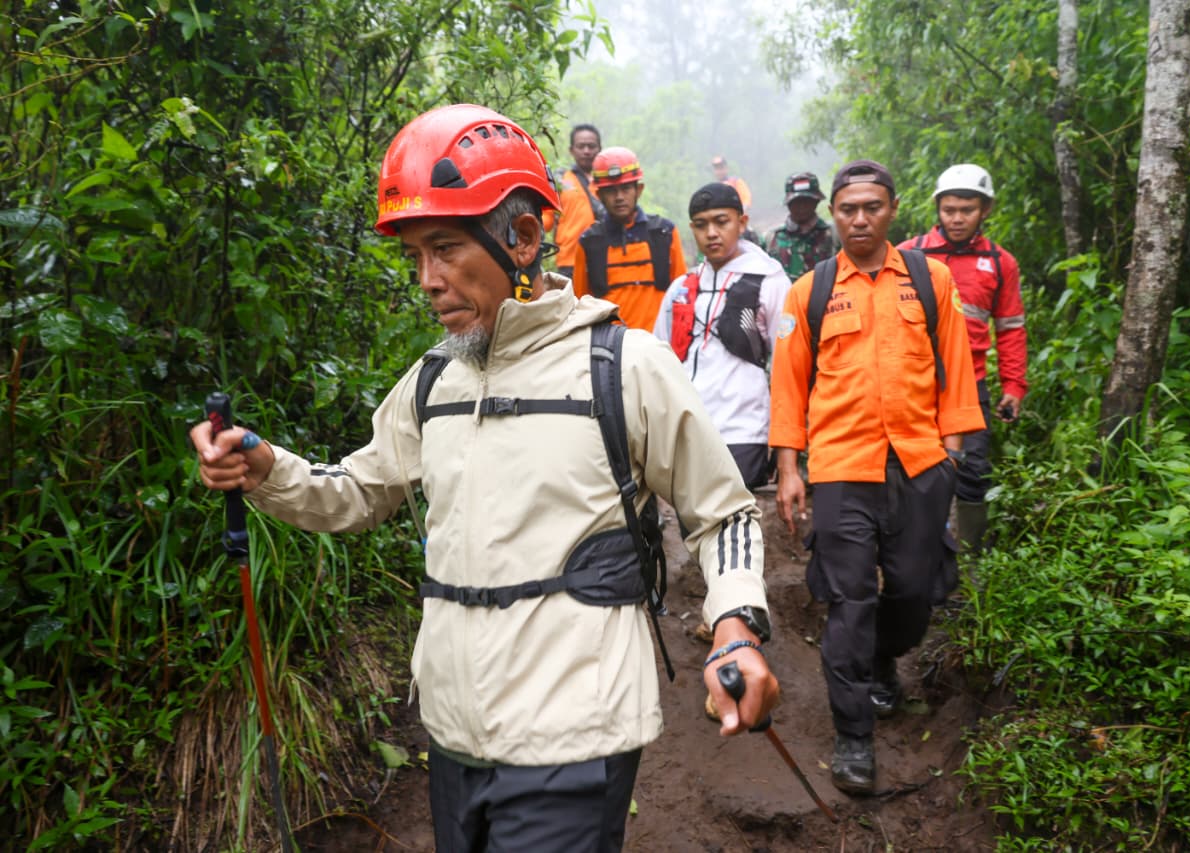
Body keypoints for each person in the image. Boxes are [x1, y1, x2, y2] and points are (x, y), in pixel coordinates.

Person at [190, 104, 779, 852]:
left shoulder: (622, 366)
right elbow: (359, 491)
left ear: (523, 239)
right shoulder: (434, 380)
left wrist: (734, 627)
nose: (429, 281)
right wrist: (268, 468)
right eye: (415, 257)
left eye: (445, 249)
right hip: (454, 731)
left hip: (576, 733)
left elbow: (723, 512)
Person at [769, 160, 985, 796]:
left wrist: (950, 451)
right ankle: (854, 737)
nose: (858, 220)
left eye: (871, 208)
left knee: (915, 593)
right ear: (833, 215)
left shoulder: (929, 279)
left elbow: (956, 365)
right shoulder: (806, 292)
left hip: (918, 462)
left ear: (892, 210)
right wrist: (789, 468)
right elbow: (788, 386)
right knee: (849, 601)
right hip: (840, 466)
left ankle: (888, 659)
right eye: (847, 210)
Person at [898, 164, 1027, 551]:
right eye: (949, 209)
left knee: (972, 470)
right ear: (938, 208)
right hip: (913, 383)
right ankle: (911, 551)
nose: (956, 218)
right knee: (910, 466)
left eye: (966, 210)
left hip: (970, 383)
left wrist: (1015, 386)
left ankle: (970, 562)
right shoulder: (909, 254)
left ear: (984, 210)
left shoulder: (1000, 263)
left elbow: (1010, 328)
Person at [653, 182, 789, 492]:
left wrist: (784, 447)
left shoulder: (769, 281)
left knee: (732, 528)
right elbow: (659, 361)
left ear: (742, 223)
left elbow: (787, 364)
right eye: (701, 225)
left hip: (743, 432)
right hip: (687, 434)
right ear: (692, 229)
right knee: (693, 531)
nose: (711, 233)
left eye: (721, 221)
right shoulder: (681, 288)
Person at [573, 146, 688, 332]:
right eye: (611, 191)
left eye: (626, 188)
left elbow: (682, 297)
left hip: (657, 345)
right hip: (609, 349)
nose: (619, 197)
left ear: (638, 190)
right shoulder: (590, 241)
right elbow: (581, 305)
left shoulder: (664, 233)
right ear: (599, 195)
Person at [550, 123, 606, 279]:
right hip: (569, 261)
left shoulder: (609, 183)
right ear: (572, 150)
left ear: (599, 149)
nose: (586, 151)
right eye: (581, 146)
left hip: (604, 259)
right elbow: (546, 219)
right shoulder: (561, 180)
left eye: (591, 146)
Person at [766, 171, 838, 282]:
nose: (801, 207)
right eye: (796, 202)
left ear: (816, 201)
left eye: (807, 201)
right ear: (788, 203)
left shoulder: (834, 235)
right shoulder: (771, 239)